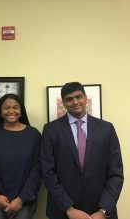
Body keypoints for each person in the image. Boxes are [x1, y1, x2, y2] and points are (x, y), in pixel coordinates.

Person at [40, 82, 124, 219]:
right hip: (63, 211)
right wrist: (68, 208)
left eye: (78, 97)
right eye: (69, 99)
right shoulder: (51, 130)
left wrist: (103, 211)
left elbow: (116, 173)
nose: (75, 102)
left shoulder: (106, 129)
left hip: (100, 211)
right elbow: (47, 172)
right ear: (64, 103)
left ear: (85, 98)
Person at [0, 93, 41, 219]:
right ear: (0, 112)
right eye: (6, 108)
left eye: (15, 107)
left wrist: (21, 199)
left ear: (21, 111)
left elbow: (38, 170)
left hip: (24, 198)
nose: (11, 111)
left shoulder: (34, 135)